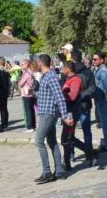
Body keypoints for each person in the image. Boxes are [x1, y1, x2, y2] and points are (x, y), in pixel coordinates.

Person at [34, 54, 73, 185]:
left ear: (40, 62)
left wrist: (65, 116)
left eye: (37, 62)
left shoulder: (50, 76)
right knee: (52, 142)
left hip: (49, 113)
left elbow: (59, 97)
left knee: (39, 141)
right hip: (45, 112)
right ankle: (60, 171)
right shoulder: (46, 76)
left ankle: (47, 172)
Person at [60, 61, 93, 171]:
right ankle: (88, 153)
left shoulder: (75, 80)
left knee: (66, 138)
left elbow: (73, 96)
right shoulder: (68, 79)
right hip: (69, 112)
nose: (62, 70)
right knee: (69, 138)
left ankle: (67, 163)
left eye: (63, 68)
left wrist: (62, 95)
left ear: (68, 69)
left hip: (72, 113)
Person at [72, 50, 96, 159]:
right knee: (87, 131)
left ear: (72, 58)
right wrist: (82, 96)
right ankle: (89, 153)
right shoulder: (88, 72)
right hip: (84, 103)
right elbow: (92, 88)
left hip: (72, 105)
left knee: (70, 132)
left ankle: (70, 155)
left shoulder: (69, 72)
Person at [18, 59, 36, 132]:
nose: (21, 66)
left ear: (26, 65)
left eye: (22, 64)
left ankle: (29, 127)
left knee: (27, 110)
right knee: (31, 110)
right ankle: (33, 125)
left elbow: (20, 83)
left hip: (26, 94)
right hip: (31, 93)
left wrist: (20, 81)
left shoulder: (26, 74)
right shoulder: (31, 72)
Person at [0, 57, 11, 132]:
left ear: (0, 62)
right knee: (5, 109)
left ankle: (3, 125)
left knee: (2, 109)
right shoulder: (7, 71)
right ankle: (5, 124)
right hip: (5, 92)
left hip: (0, 92)